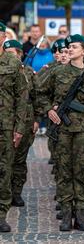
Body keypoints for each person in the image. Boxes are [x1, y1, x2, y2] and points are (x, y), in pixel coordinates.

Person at [37, 34, 84, 231]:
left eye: (74, 47)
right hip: (63, 131)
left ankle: (81, 214)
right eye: (69, 47)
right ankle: (66, 215)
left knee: (82, 172)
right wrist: (49, 109)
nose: (70, 49)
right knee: (64, 172)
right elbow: (39, 93)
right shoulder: (58, 72)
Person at [3, 40, 39, 208]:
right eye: (7, 52)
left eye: (13, 52)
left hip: (25, 121)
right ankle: (6, 192)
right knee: (6, 161)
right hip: (8, 120)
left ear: (20, 54)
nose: (10, 55)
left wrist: (37, 119)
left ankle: (16, 191)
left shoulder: (30, 72)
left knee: (19, 160)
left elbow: (36, 97)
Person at [0, 22, 29, 232]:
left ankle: (1, 214)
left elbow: (22, 97)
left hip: (6, 127)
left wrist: (19, 128)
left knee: (4, 171)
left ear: (2, 38)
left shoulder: (12, 62)